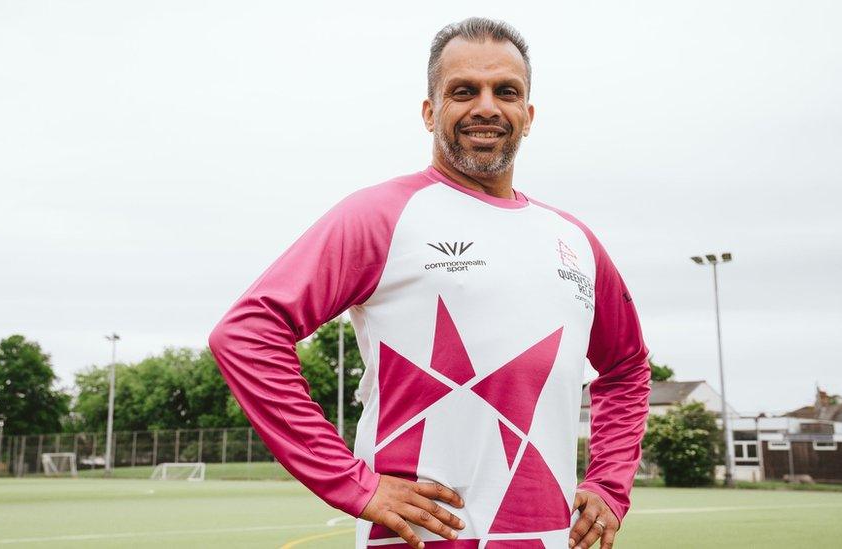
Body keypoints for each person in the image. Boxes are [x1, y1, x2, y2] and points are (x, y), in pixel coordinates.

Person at [208, 16, 650, 549]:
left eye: (506, 92)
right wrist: (352, 481)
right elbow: (247, 334)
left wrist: (609, 484)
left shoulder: (574, 241)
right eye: (464, 91)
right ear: (429, 111)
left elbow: (626, 367)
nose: (487, 106)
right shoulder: (381, 216)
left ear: (527, 115)